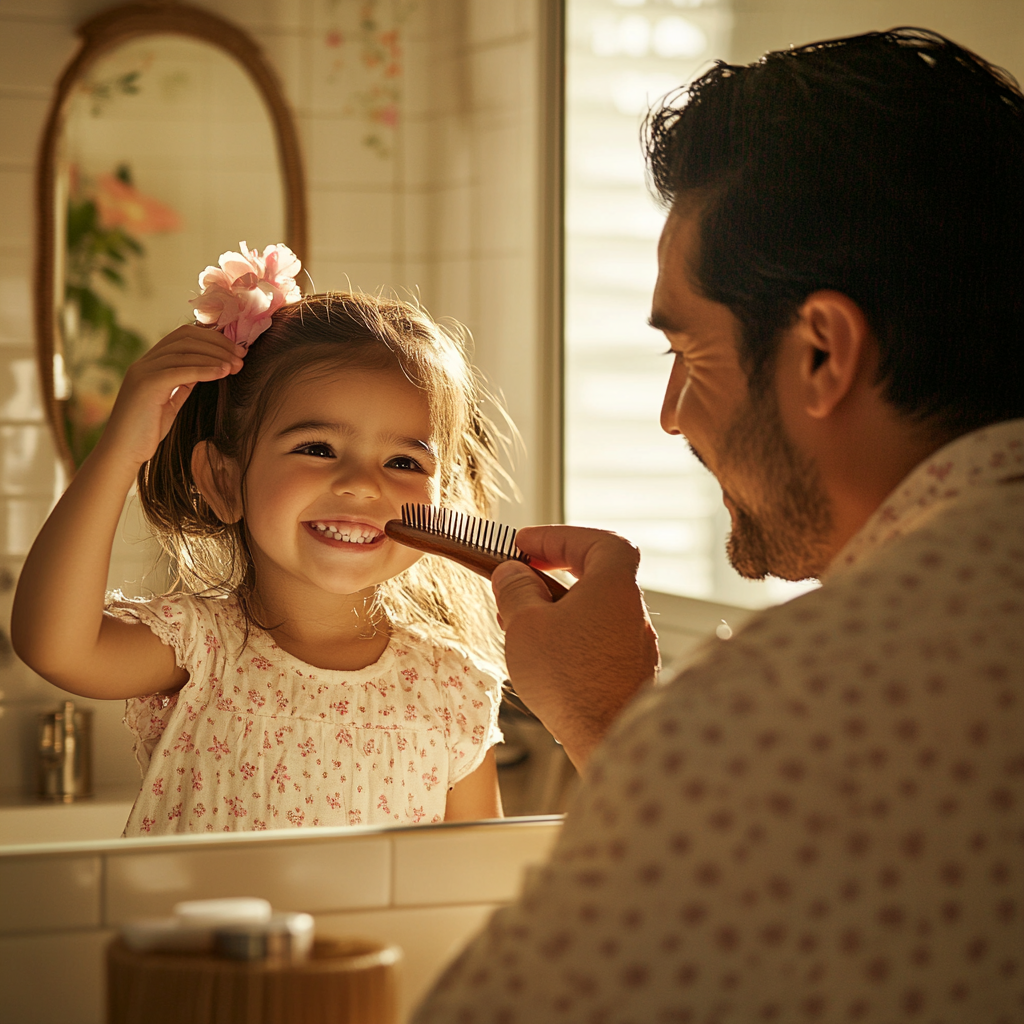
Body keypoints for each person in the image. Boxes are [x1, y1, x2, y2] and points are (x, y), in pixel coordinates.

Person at [413, 28, 1024, 1022]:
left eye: (686, 350)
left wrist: (630, 731)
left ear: (821, 353)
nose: (670, 413)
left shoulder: (774, 716)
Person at [12, 244, 511, 834]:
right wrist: (122, 447)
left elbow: (476, 880)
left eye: (403, 461)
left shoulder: (453, 688)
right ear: (224, 480)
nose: (360, 485)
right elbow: (54, 647)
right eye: (317, 448)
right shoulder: (202, 650)